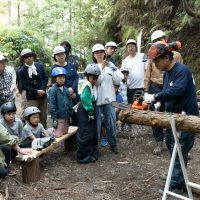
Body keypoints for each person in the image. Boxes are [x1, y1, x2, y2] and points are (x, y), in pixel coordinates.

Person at [144, 40, 198, 194]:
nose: (155, 64)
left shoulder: (183, 71)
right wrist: (160, 102)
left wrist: (155, 96)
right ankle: (177, 177)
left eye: (156, 61)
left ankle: (174, 184)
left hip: (187, 119)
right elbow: (168, 92)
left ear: (167, 58)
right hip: (173, 119)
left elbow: (177, 91)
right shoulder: (167, 74)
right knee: (172, 146)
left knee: (180, 149)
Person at [144, 30, 183, 155]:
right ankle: (159, 141)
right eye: (155, 41)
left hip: (171, 86)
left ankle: (179, 144)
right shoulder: (152, 55)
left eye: (160, 39)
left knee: (173, 113)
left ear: (165, 39)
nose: (158, 42)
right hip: (156, 86)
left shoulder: (175, 55)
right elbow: (147, 73)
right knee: (156, 115)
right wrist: (146, 90)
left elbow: (180, 72)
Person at [93, 43, 124, 154]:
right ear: (94, 55)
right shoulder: (92, 67)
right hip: (97, 100)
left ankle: (113, 144)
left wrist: (113, 67)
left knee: (111, 123)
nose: (99, 54)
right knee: (97, 124)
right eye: (97, 52)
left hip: (109, 99)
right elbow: (96, 82)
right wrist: (101, 68)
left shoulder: (110, 65)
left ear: (104, 53)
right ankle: (96, 147)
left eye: (101, 52)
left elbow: (119, 79)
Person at [18, 49, 48, 128]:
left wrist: (42, 89)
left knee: (43, 116)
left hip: (43, 95)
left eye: (30, 56)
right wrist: (36, 91)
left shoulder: (39, 65)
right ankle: (33, 135)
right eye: (26, 57)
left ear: (33, 57)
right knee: (32, 116)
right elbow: (24, 85)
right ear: (23, 59)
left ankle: (44, 134)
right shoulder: (21, 71)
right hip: (31, 97)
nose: (29, 58)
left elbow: (45, 78)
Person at [76, 63, 100, 164]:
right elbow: (85, 99)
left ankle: (92, 153)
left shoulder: (92, 85)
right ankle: (83, 157)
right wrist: (90, 112)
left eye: (96, 78)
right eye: (92, 78)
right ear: (88, 76)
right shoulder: (86, 85)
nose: (94, 80)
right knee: (85, 132)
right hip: (86, 109)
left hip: (91, 108)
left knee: (92, 131)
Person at [51, 46, 79, 127]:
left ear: (65, 54)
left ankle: (75, 138)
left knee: (75, 117)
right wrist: (67, 91)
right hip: (62, 98)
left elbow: (76, 77)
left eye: (62, 54)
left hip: (74, 95)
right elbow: (54, 83)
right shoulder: (54, 68)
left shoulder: (71, 66)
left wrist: (72, 89)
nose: (61, 56)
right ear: (55, 56)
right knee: (65, 119)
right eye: (58, 54)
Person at [48, 67, 73, 138]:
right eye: (60, 77)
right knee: (58, 135)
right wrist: (54, 118)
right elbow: (52, 105)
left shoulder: (66, 89)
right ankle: (47, 131)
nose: (62, 79)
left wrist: (70, 113)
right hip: (59, 117)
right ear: (55, 78)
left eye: (63, 77)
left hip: (66, 116)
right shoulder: (53, 90)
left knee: (65, 132)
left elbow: (70, 101)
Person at [121, 39, 146, 104]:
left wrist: (147, 86)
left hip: (142, 87)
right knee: (131, 107)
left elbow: (147, 70)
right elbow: (124, 75)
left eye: (132, 46)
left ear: (136, 47)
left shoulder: (143, 56)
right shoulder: (125, 61)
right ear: (127, 48)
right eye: (129, 47)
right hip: (130, 88)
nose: (130, 48)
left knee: (142, 106)